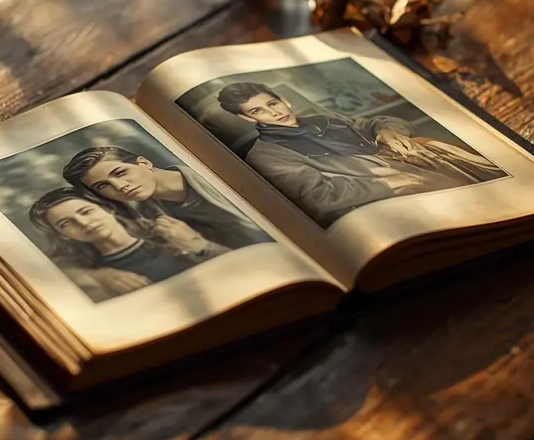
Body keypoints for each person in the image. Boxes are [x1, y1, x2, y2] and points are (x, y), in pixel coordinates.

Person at [215, 82, 504, 226]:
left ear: (284, 99)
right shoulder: (266, 156)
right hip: (390, 197)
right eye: (257, 111)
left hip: (417, 164)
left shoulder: (323, 118)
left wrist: (387, 131)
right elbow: (319, 197)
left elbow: (373, 123)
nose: (273, 113)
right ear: (248, 120)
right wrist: (390, 183)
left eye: (272, 103)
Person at [28, 188, 226, 302]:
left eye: (86, 211)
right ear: (62, 235)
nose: (84, 223)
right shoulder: (89, 273)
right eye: (66, 223)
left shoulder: (172, 232)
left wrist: (199, 244)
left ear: (108, 208)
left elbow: (242, 264)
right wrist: (96, 277)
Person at [62, 146, 273, 250]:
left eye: (120, 173)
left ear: (144, 163)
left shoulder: (215, 172)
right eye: (102, 186)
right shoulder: (150, 220)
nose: (120, 187)